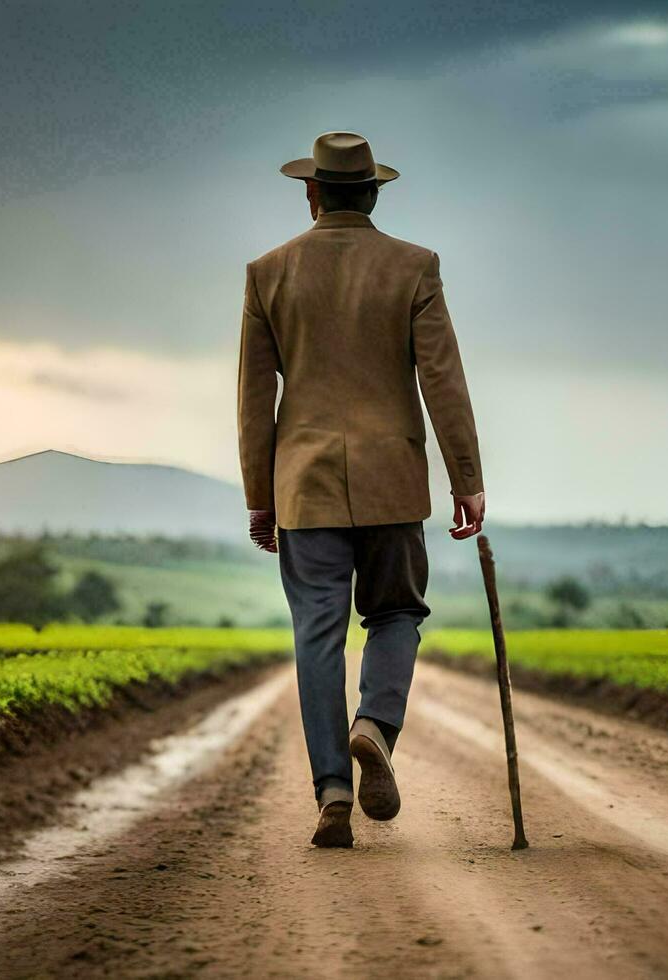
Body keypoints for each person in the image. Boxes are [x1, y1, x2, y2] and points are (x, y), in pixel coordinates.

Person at [237, 131, 486, 848]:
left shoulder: (268, 273)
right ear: (373, 192)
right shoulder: (415, 267)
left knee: (317, 633)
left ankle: (332, 794)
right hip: (393, 480)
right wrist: (467, 480)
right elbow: (443, 380)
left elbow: (256, 400)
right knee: (398, 611)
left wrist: (261, 496)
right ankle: (374, 725)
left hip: (305, 486)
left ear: (311, 192)